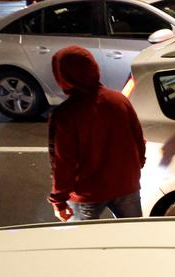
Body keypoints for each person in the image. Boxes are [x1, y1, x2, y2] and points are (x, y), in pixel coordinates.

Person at [46, 46, 146, 222]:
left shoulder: (65, 114)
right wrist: (138, 164)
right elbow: (138, 137)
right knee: (133, 235)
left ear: (62, 75)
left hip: (87, 192)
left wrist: (59, 200)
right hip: (126, 184)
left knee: (84, 242)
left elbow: (63, 161)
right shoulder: (119, 100)